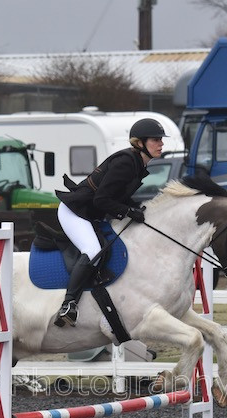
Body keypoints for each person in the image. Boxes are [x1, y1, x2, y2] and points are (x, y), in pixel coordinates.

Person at [52, 117, 166, 327]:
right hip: (75, 212)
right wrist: (129, 212)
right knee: (93, 250)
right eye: (155, 140)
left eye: (161, 140)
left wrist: (135, 209)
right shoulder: (126, 163)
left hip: (91, 212)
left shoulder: (136, 163)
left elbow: (117, 197)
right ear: (140, 143)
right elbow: (102, 199)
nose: (161, 144)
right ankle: (69, 305)